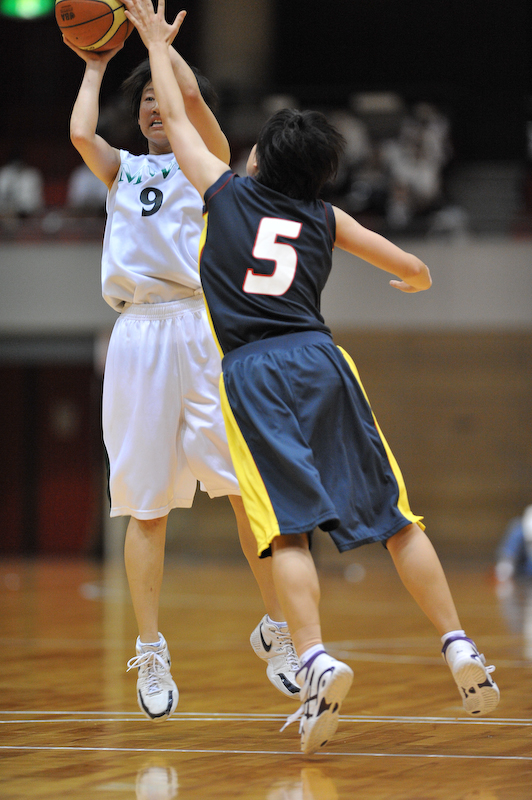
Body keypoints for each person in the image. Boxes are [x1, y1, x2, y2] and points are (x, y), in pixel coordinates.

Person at [123, 0, 501, 753]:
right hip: (323, 359)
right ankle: (459, 643)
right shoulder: (326, 218)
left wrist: (157, 46)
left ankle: (318, 656)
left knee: (283, 533)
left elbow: (174, 110)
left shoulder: (224, 194)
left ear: (260, 158)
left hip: (253, 373)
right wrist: (415, 283)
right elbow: (416, 266)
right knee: (395, 516)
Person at [64, 30, 299, 721]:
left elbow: (190, 95)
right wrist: (97, 66)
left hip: (201, 329)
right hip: (138, 333)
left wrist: (160, 49)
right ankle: (150, 647)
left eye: (160, 98)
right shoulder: (124, 169)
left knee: (242, 489)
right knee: (146, 504)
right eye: (143, 101)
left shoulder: (213, 165)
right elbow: (82, 131)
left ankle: (277, 632)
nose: (154, 108)